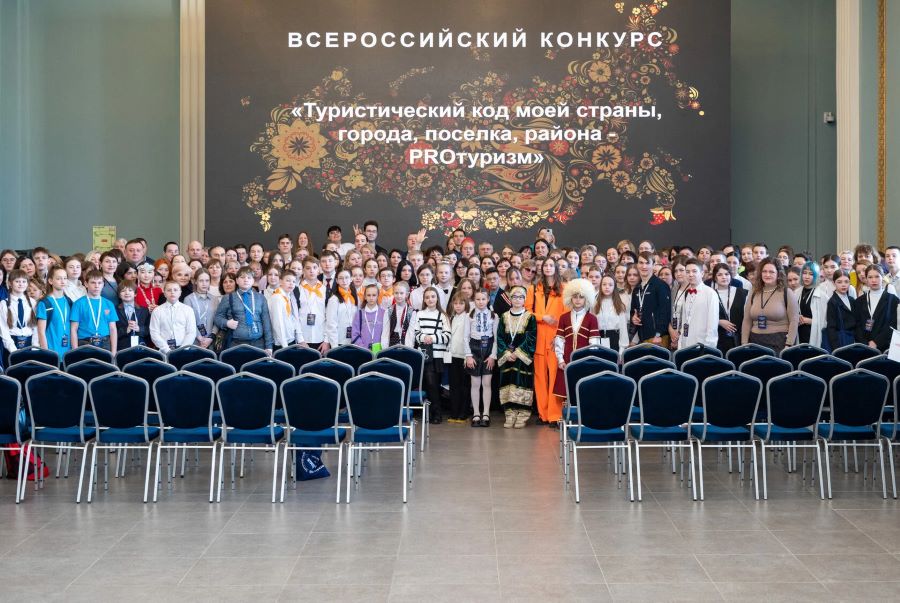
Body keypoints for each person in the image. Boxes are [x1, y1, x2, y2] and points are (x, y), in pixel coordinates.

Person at [525, 256, 565, 425]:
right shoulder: (533, 288)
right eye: (545, 265)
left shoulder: (564, 288)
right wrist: (542, 317)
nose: (548, 268)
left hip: (556, 338)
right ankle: (543, 414)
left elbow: (566, 314)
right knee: (540, 378)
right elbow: (527, 312)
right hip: (539, 338)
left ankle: (555, 415)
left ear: (555, 268)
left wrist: (560, 335)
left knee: (555, 376)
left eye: (551, 265)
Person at [553, 278, 601, 407]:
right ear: (570, 298)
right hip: (566, 360)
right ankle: (567, 416)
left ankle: (583, 416)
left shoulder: (592, 319)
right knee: (566, 392)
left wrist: (590, 361)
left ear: (587, 299)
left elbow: (594, 344)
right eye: (575, 297)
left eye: (581, 297)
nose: (578, 300)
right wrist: (560, 360)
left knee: (583, 391)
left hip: (584, 361)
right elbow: (559, 340)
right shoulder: (563, 317)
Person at [406, 287, 450, 424]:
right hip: (425, 355)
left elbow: (447, 335)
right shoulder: (419, 314)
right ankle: (432, 412)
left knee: (435, 385)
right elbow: (416, 333)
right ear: (424, 300)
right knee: (428, 384)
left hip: (438, 355)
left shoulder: (443, 315)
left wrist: (432, 338)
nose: (430, 299)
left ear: (437, 298)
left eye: (433, 296)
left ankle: (436, 413)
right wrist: (423, 337)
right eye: (427, 297)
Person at [496, 285, 537, 428]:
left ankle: (522, 414)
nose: (517, 300)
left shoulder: (530, 317)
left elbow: (531, 338)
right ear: (510, 299)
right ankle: (509, 414)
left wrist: (518, 353)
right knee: (507, 383)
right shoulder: (504, 316)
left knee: (522, 383)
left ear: (525, 299)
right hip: (507, 357)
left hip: (522, 358)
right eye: (514, 297)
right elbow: (500, 337)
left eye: (521, 297)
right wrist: (507, 353)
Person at [741, 258, 799, 354]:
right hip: (754, 341)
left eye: (771, 272)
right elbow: (747, 320)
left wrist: (789, 344)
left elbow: (794, 321)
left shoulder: (787, 292)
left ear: (778, 274)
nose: (767, 275)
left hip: (779, 342)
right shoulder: (754, 292)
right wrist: (744, 343)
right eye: (764, 271)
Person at [214, 267, 273, 354]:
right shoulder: (228, 298)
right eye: (242, 277)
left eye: (249, 277)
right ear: (237, 281)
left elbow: (266, 322)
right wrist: (226, 323)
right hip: (236, 343)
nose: (246, 280)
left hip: (259, 343)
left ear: (253, 281)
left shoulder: (260, 298)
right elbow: (217, 317)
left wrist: (269, 346)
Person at [465, 289, 498, 427]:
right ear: (474, 300)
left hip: (488, 350)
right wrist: (468, 356)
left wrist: (493, 356)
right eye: (478, 299)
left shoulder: (494, 316)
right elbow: (465, 337)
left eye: (483, 299)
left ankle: (486, 413)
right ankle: (476, 413)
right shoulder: (469, 315)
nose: (480, 302)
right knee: (475, 383)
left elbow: (496, 338)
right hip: (474, 349)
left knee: (487, 383)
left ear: (488, 299)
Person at [70, 270, 118, 353]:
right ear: (86, 284)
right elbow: (73, 329)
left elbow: (113, 329)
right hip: (85, 343)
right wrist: (75, 350)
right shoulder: (78, 304)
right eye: (93, 283)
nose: (96, 286)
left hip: (105, 342)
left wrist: (114, 352)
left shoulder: (109, 304)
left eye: (99, 283)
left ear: (103, 284)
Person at [675, 259, 719, 349]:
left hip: (703, 345)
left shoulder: (710, 293)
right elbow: (684, 320)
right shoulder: (686, 293)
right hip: (685, 344)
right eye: (687, 272)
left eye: (694, 271)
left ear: (702, 273)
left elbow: (713, 323)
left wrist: (708, 347)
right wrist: (680, 344)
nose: (690, 274)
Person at [853, 265, 899, 351]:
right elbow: (857, 325)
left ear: (883, 277)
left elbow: (893, 324)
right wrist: (865, 344)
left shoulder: (893, 300)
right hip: (863, 347)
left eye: (877, 276)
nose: (874, 280)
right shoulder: (859, 301)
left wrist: (877, 342)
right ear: (866, 279)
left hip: (886, 348)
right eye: (870, 277)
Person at [630, 252, 671, 347]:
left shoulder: (661, 285)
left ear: (653, 265)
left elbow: (665, 312)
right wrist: (634, 318)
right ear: (637, 265)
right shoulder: (637, 289)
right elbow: (633, 311)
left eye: (647, 263)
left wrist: (658, 334)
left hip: (658, 337)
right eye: (641, 263)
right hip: (642, 337)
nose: (644, 266)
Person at [0, 269, 37, 366]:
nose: (21, 284)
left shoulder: (32, 302)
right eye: (17, 281)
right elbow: (3, 330)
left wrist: (35, 348)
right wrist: (13, 350)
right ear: (10, 283)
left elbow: (36, 328)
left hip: (29, 344)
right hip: (11, 345)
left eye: (24, 281)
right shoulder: (4, 304)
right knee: (13, 372)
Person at [149, 281, 196, 354]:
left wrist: (183, 349)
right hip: (163, 351)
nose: (172, 292)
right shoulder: (157, 311)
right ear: (164, 293)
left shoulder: (188, 310)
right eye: (169, 290)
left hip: (183, 350)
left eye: (175, 290)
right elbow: (154, 333)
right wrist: (166, 350)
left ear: (180, 293)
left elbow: (191, 332)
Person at [35, 266, 72, 358]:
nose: (63, 281)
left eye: (65, 278)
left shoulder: (69, 301)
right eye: (59, 278)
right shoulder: (45, 303)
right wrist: (46, 353)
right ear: (50, 281)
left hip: (68, 353)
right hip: (52, 353)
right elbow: (41, 331)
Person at [711, 263, 747, 354]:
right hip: (718, 339)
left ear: (731, 276)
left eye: (726, 274)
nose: (724, 277)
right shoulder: (710, 294)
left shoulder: (743, 293)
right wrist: (718, 321)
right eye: (720, 275)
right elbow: (703, 316)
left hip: (739, 338)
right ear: (715, 278)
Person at [446, 292, 471, 424]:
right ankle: (454, 412)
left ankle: (463, 413)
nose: (458, 306)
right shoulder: (451, 318)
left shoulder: (468, 317)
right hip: (453, 356)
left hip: (464, 356)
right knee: (454, 385)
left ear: (466, 304)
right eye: (455, 303)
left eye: (461, 303)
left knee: (464, 386)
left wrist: (468, 356)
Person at [295, 258, 328, 353]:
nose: (311, 271)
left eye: (314, 267)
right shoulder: (297, 290)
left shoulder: (325, 290)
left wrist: (326, 340)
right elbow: (295, 317)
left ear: (319, 269)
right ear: (303, 270)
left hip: (321, 338)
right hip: (303, 338)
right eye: (308, 268)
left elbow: (329, 317)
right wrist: (300, 339)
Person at [268, 268, 306, 350]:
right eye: (288, 280)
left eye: (294, 281)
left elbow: (293, 318)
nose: (291, 284)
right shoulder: (277, 298)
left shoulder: (289, 296)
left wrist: (299, 339)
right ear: (280, 281)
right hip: (281, 343)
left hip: (291, 339)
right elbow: (278, 323)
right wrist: (284, 346)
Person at [592, 274, 629, 355]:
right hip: (599, 339)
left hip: (614, 339)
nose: (607, 287)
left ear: (614, 287)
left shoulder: (619, 305)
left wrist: (622, 349)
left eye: (610, 285)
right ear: (601, 286)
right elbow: (592, 327)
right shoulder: (595, 304)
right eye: (604, 284)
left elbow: (623, 328)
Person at [184, 268, 218, 349]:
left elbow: (217, 321)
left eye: (207, 280)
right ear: (195, 281)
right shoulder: (188, 299)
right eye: (201, 280)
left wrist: (211, 337)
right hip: (194, 341)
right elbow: (187, 322)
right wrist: (199, 337)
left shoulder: (215, 299)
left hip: (211, 342)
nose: (204, 284)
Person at [825, 270, 857, 351]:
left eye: (846, 282)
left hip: (854, 339)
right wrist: (836, 348)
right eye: (839, 282)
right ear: (834, 283)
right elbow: (831, 327)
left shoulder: (852, 300)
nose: (843, 285)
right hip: (840, 342)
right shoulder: (832, 302)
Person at [115, 281, 150, 350]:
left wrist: (139, 329)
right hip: (122, 348)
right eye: (123, 291)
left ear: (135, 294)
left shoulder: (144, 310)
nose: (127, 293)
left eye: (130, 290)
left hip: (141, 347)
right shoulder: (115, 310)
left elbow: (149, 330)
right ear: (119, 295)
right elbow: (111, 331)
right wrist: (125, 330)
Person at [325, 270, 356, 348]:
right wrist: (334, 346)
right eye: (341, 278)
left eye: (347, 277)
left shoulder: (353, 297)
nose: (344, 281)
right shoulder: (334, 299)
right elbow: (331, 324)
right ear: (337, 280)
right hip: (339, 342)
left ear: (351, 279)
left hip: (353, 341)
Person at [351, 284, 385, 351]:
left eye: (374, 295)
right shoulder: (359, 314)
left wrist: (382, 347)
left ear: (378, 296)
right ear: (365, 297)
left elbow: (386, 334)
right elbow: (354, 334)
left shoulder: (384, 313)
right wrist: (364, 348)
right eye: (368, 295)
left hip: (380, 351)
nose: (371, 298)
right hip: (363, 351)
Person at [381, 281, 413, 348]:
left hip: (406, 343)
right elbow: (386, 332)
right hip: (392, 343)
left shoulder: (411, 312)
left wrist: (409, 348)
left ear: (407, 294)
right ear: (393, 293)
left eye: (401, 293)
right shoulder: (389, 311)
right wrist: (385, 348)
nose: (399, 296)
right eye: (396, 293)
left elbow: (411, 333)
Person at [796, 262, 819, 344]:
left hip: (813, 335)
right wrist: (797, 317)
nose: (807, 276)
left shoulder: (821, 294)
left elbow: (826, 322)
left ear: (816, 276)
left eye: (811, 274)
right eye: (804, 273)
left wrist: (810, 321)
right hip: (799, 333)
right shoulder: (796, 292)